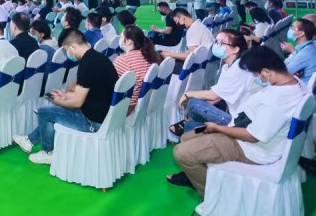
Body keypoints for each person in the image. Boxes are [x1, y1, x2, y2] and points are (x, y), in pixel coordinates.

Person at [168, 46, 308, 196]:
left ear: (266, 72)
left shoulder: (277, 101)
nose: (257, 79)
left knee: (181, 152)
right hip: (236, 129)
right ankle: (200, 175)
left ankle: (213, 194)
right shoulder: (295, 82)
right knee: (186, 136)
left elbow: (253, 136)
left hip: (248, 147)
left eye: (256, 75)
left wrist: (217, 128)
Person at [12, 28, 119, 164]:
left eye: (66, 49)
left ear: (72, 47)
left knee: (44, 112)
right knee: (54, 110)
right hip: (104, 116)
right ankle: (29, 140)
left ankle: (47, 152)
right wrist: (65, 95)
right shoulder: (99, 58)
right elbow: (90, 93)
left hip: (92, 122)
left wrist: (58, 101)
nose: (67, 53)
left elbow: (77, 103)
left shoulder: (87, 65)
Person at [169, 29, 252, 136]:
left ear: (235, 49)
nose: (216, 45)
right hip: (231, 112)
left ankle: (204, 127)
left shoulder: (237, 70)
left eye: (221, 43)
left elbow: (214, 96)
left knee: (193, 104)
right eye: (216, 41)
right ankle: (193, 124)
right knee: (191, 125)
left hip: (239, 122)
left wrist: (187, 94)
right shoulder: (228, 67)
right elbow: (217, 97)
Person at [114, 25, 160, 114]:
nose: (120, 39)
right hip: (144, 104)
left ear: (129, 41)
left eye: (121, 37)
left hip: (126, 107)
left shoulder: (123, 60)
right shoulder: (149, 56)